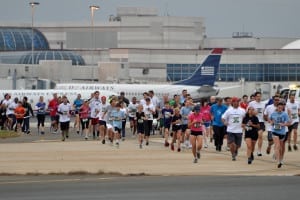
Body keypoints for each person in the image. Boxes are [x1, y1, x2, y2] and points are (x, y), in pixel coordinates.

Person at [222, 97, 246, 161]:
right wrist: (225, 122)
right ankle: (233, 155)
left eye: (238, 101)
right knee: (232, 144)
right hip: (230, 130)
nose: (237, 103)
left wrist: (244, 124)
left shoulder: (242, 110)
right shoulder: (229, 110)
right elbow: (223, 118)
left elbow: (246, 118)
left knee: (238, 145)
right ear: (233, 102)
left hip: (239, 130)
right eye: (235, 101)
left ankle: (236, 150)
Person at [269, 102, 290, 168]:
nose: (280, 109)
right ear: (277, 108)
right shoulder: (273, 113)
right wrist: (271, 122)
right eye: (279, 107)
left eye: (281, 108)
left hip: (282, 132)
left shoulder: (285, 114)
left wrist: (283, 124)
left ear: (283, 108)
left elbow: (289, 123)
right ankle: (278, 162)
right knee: (277, 145)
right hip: (274, 131)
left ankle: (280, 159)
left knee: (280, 147)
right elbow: (270, 119)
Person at [247, 91, 266, 157]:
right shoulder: (251, 103)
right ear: (255, 97)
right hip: (253, 121)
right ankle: (251, 150)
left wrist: (266, 117)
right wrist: (252, 113)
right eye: (257, 96)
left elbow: (264, 113)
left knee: (260, 135)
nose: (259, 97)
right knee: (253, 138)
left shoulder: (263, 104)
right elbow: (248, 112)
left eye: (260, 96)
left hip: (261, 122)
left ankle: (259, 150)